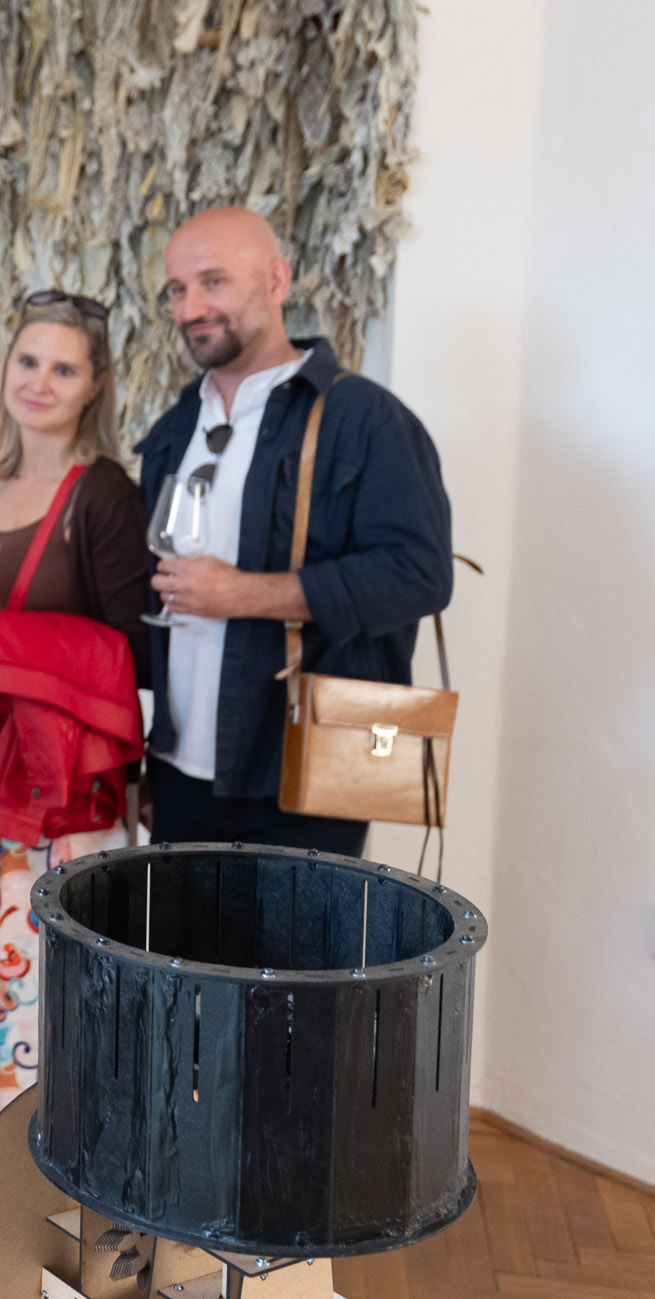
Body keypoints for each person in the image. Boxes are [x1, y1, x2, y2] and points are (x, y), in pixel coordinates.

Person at [138, 207, 452, 855]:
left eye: (214, 282)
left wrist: (243, 595)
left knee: (299, 931)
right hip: (177, 776)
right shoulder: (175, 428)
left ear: (277, 281)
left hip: (303, 774)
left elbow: (419, 574)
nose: (191, 308)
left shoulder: (365, 418)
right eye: (177, 289)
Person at [0, 290, 149, 1113]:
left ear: (95, 386)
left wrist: (9, 634)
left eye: (64, 369)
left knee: (59, 982)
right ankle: (14, 1134)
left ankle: (65, 1138)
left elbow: (135, 650)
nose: (40, 382)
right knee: (6, 969)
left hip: (61, 785)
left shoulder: (105, 494)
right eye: (28, 361)